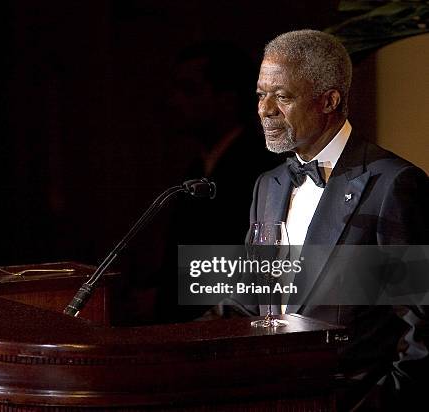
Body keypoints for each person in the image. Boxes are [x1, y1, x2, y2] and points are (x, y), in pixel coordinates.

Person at [217, 29, 428, 410]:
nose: (264, 110)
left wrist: (382, 403)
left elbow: (422, 324)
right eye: (261, 95)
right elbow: (252, 302)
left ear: (329, 100)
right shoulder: (269, 185)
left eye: (282, 97)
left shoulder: (394, 185)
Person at [152, 41, 279, 323]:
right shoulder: (197, 167)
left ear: (227, 98)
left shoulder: (261, 168)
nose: (174, 101)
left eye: (189, 90)